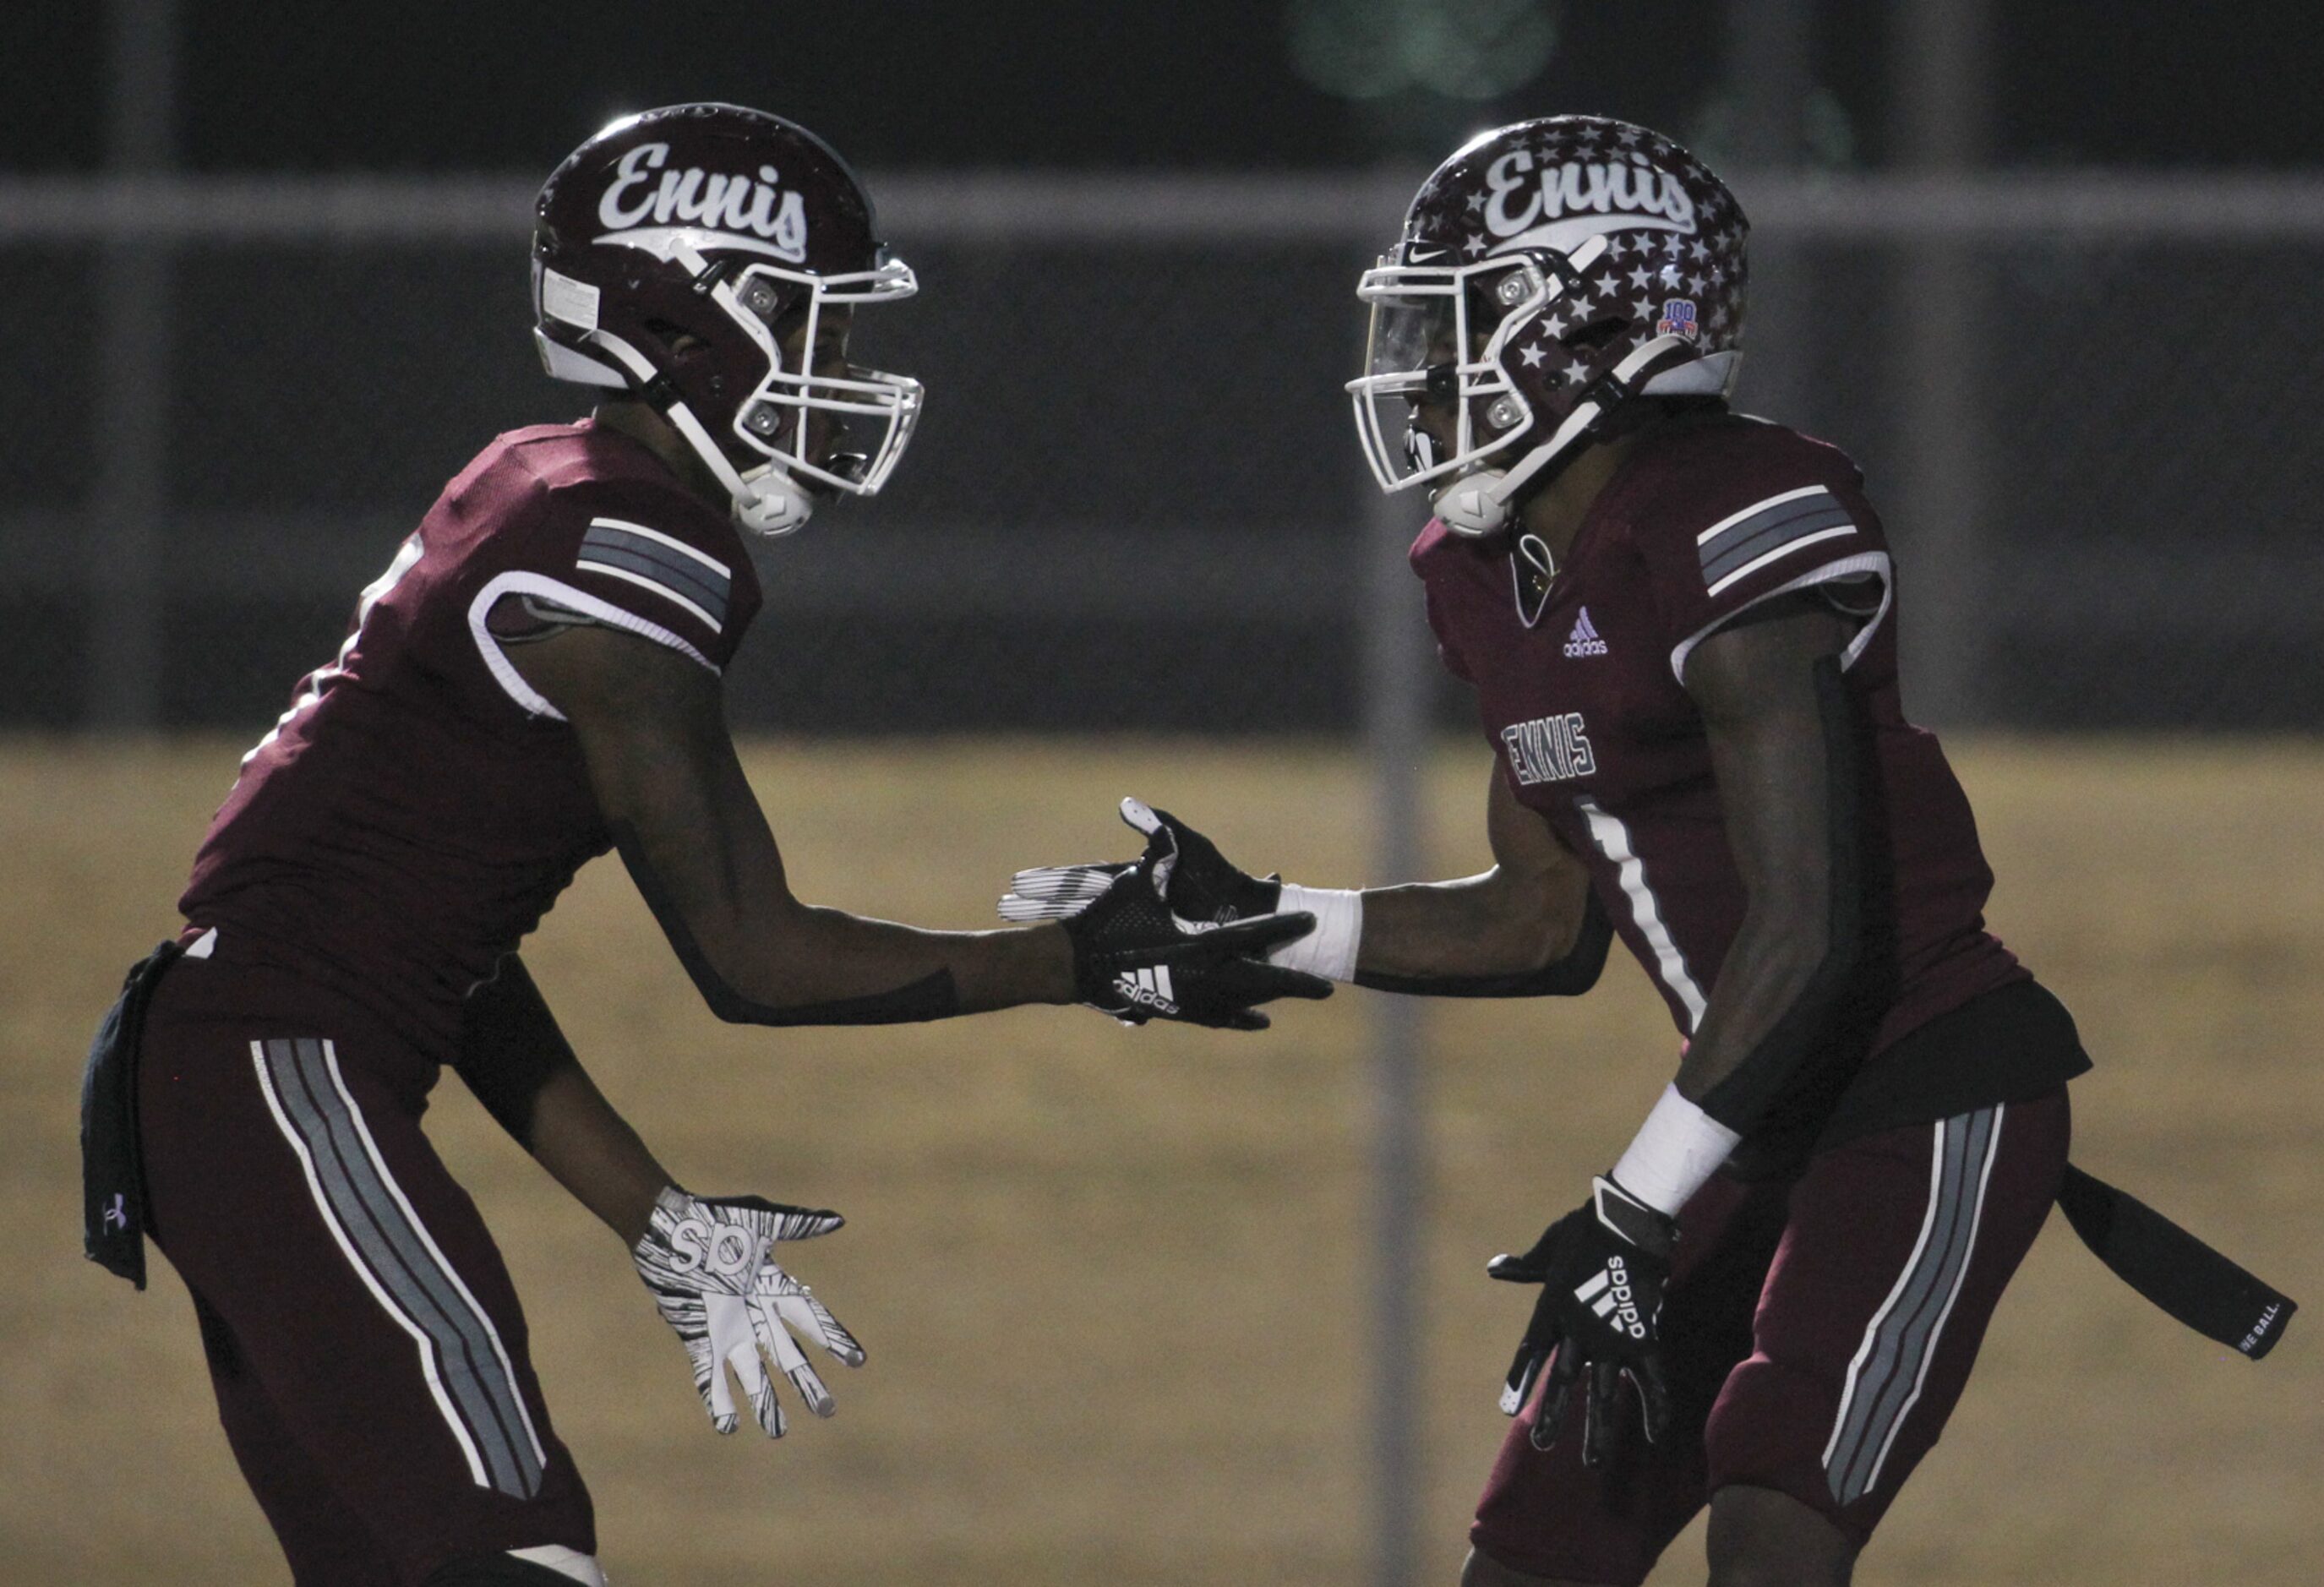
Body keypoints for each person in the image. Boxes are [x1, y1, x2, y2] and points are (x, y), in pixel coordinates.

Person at [77, 102, 1326, 1587]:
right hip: (273, 1069)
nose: (845, 371)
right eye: (815, 323)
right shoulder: (632, 541)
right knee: (516, 1550)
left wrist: (654, 1215)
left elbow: (431, 956)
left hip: (239, 1065)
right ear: (690, 312)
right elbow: (752, 954)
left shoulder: (542, 480)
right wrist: (1076, 956)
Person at [1003, 113, 2139, 1586]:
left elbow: (1809, 931)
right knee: (1534, 1547)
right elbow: (1543, 919)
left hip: (1925, 1091)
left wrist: (1634, 1204)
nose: (1424, 362)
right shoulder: (1480, 564)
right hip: (1748, 1115)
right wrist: (1265, 919)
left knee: (1772, 1520)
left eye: (1465, 316)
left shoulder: (1736, 508)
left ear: (1604, 320)